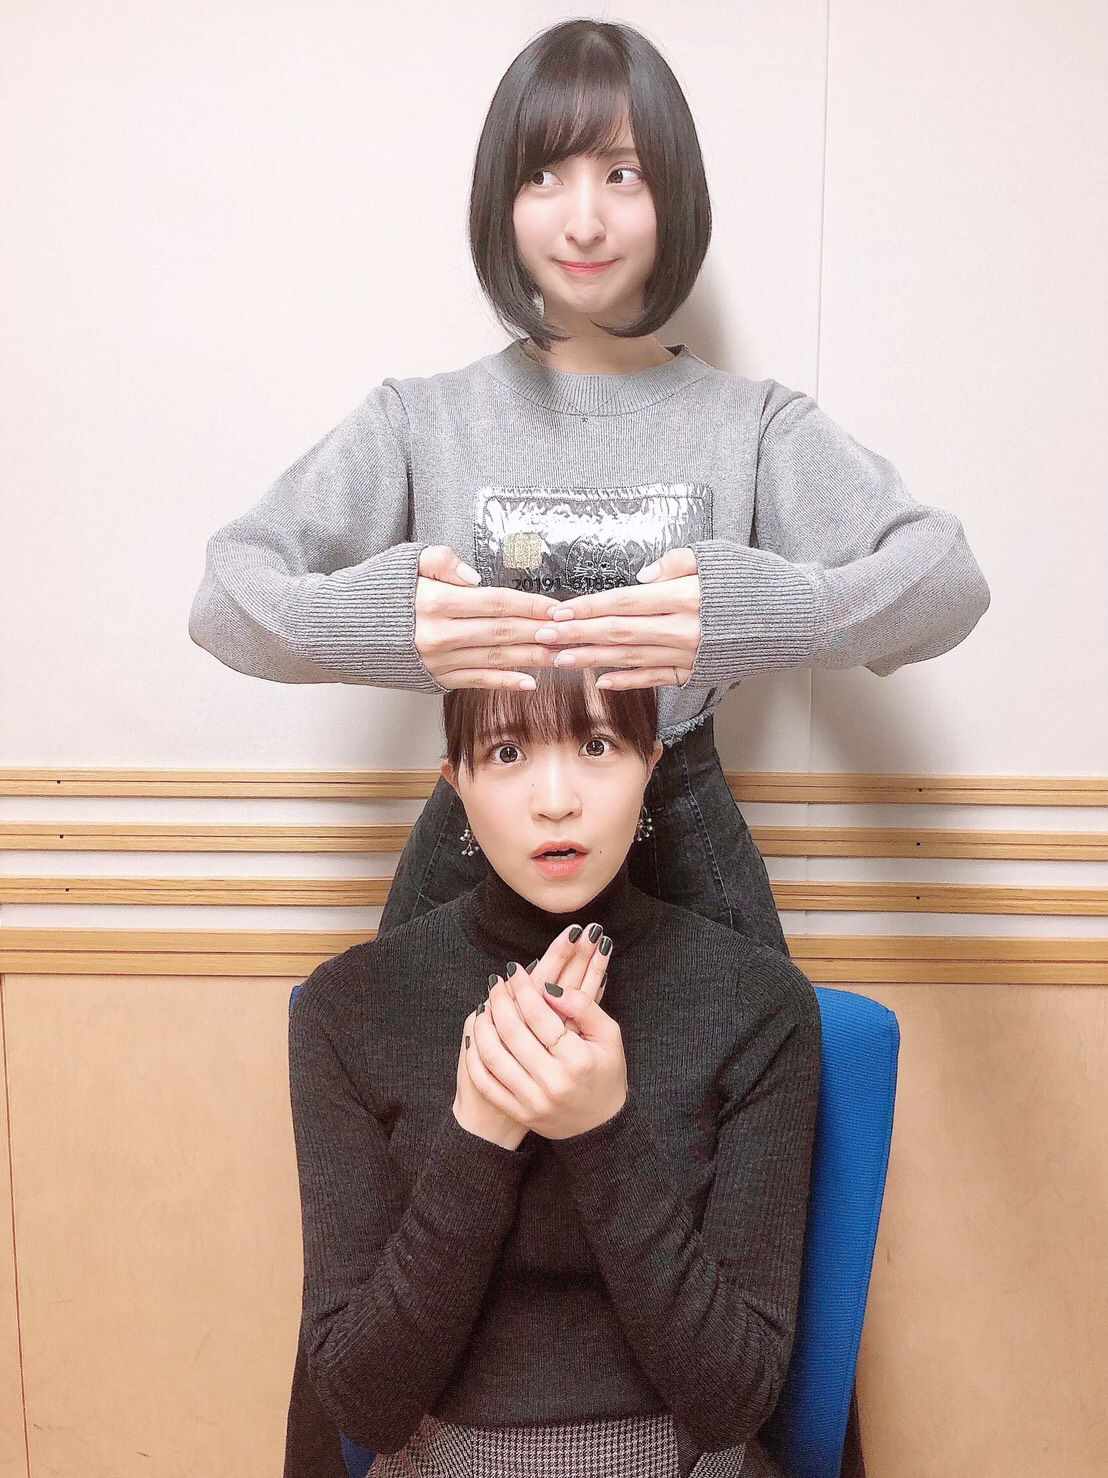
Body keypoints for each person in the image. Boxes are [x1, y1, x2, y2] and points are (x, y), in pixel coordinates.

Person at [187, 19, 990, 1473]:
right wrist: (393, 625)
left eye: (623, 172)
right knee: (412, 1245)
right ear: (500, 197)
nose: (584, 215)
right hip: (469, 860)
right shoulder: (424, 420)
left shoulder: (752, 424)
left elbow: (945, 580)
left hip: (691, 848)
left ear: (672, 194)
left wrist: (760, 605)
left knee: (756, 1287)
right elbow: (226, 596)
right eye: (547, 174)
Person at [289, 666, 822, 1478]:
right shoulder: (348, 1007)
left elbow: (734, 1401)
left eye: (597, 745)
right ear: (456, 782)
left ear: (651, 761)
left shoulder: (760, 1002)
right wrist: (481, 1132)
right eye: (507, 752)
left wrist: (600, 1131)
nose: (556, 800)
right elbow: (366, 1407)